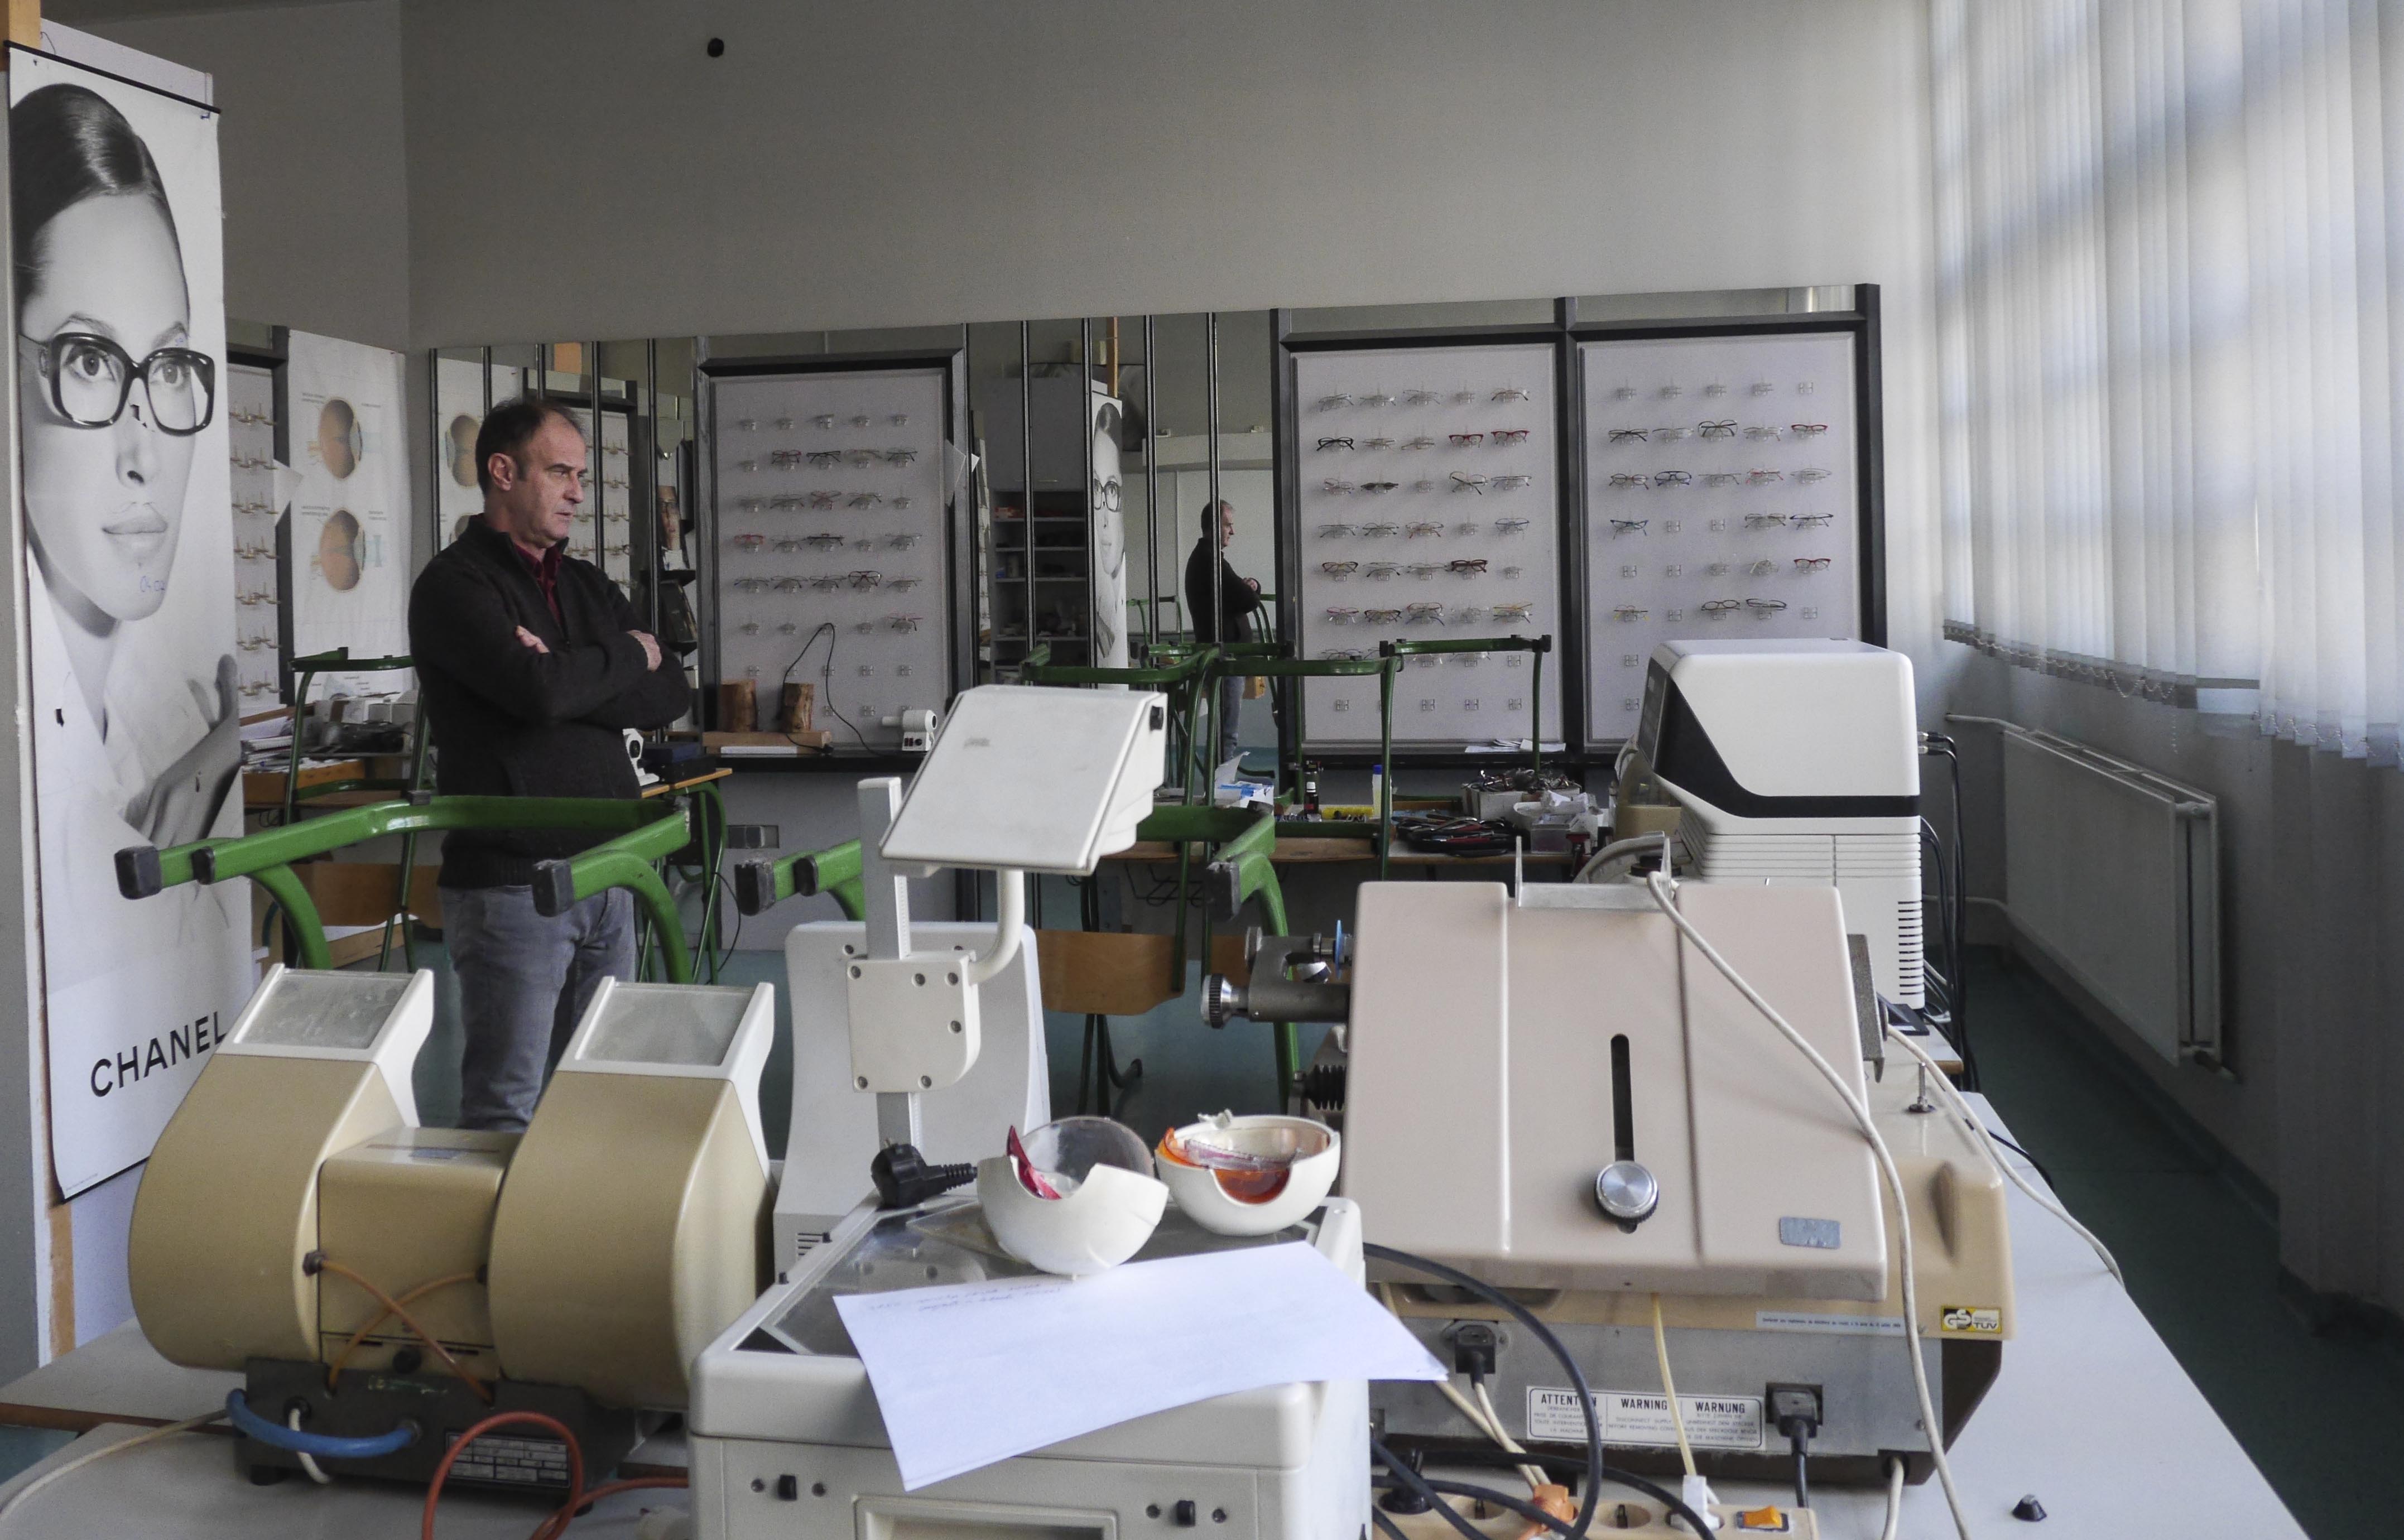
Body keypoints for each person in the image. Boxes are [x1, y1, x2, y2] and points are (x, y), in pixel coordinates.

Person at [16, 82, 244, 1003]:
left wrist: (225, 741)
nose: (145, 452)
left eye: (171, 365)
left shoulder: (181, 708)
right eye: (88, 360)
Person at [408, 397, 690, 1132]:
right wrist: (621, 657)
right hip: (515, 885)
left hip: (612, 873)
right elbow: (542, 693)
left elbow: (669, 692)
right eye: (561, 473)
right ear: (503, 473)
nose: (577, 493)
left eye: (582, 477)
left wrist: (567, 675)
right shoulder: (454, 587)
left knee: (596, 1101)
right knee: (506, 1106)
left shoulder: (587, 584)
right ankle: (497, 1219)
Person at [1185, 499, 1258, 767]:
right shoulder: (1210, 561)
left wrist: (1249, 586)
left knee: (1225, 731)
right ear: (1214, 526)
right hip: (1224, 658)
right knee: (1227, 734)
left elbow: (1238, 594)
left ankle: (1217, 782)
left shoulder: (1210, 559)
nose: (1232, 531)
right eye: (1228, 525)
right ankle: (1219, 786)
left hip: (1226, 656)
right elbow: (1247, 600)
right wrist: (1251, 589)